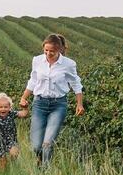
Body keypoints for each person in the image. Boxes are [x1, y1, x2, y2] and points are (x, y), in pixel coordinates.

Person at [18, 33, 84, 167]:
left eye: (52, 51)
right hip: (39, 104)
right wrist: (24, 97)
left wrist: (79, 104)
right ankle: (40, 160)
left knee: (47, 143)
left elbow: (76, 83)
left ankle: (45, 174)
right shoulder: (37, 60)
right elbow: (33, 80)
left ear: (59, 50)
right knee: (36, 146)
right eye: (46, 50)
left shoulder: (68, 64)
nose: (48, 53)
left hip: (58, 106)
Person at [0, 93, 27, 171]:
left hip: (11, 139)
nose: (3, 109)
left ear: (10, 107)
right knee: (3, 163)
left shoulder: (11, 114)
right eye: (1, 107)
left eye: (6, 107)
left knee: (14, 153)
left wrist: (25, 108)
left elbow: (23, 114)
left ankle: (13, 164)